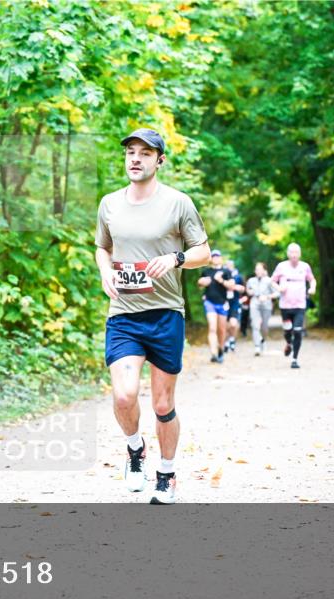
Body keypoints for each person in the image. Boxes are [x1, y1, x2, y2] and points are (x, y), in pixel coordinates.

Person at [95, 128, 211, 505]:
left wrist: (175, 259)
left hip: (165, 315)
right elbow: (102, 247)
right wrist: (105, 272)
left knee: (162, 405)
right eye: (130, 152)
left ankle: (167, 474)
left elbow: (203, 252)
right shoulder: (109, 203)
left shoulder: (178, 204)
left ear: (159, 160)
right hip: (124, 315)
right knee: (124, 395)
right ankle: (134, 450)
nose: (135, 159)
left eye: (145, 153)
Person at [271, 243, 316, 369]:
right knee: (287, 330)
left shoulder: (305, 267)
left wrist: (312, 288)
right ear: (288, 253)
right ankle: (288, 343)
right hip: (285, 305)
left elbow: (312, 279)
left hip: (300, 305)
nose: (294, 255)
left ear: (300, 254)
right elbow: (272, 280)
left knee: (297, 331)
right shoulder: (281, 266)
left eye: (296, 252)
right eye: (292, 252)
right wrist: (279, 288)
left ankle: (294, 359)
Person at [197, 250, 234, 363]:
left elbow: (231, 286)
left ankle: (221, 350)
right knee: (212, 328)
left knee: (222, 330)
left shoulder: (226, 271)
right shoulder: (206, 271)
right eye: (213, 256)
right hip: (209, 302)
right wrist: (202, 282)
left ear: (221, 258)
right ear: (211, 258)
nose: (215, 258)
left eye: (217, 256)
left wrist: (221, 280)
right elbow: (199, 284)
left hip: (222, 303)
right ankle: (213, 353)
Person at [245, 261, 280, 356]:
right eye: (256, 269)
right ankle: (257, 346)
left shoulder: (269, 281)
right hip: (255, 303)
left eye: (260, 269)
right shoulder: (251, 280)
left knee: (264, 327)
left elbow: (278, 293)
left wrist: (267, 297)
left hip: (266, 304)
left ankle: (263, 340)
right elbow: (247, 290)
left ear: (264, 270)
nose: (258, 271)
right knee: (255, 325)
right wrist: (250, 292)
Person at [225, 258, 245, 351]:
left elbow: (243, 289)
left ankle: (232, 339)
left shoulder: (238, 277)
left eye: (230, 265)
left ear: (233, 266)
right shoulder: (223, 275)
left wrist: (236, 287)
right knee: (225, 324)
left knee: (233, 324)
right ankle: (227, 341)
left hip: (235, 302)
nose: (228, 267)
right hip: (224, 301)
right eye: (227, 265)